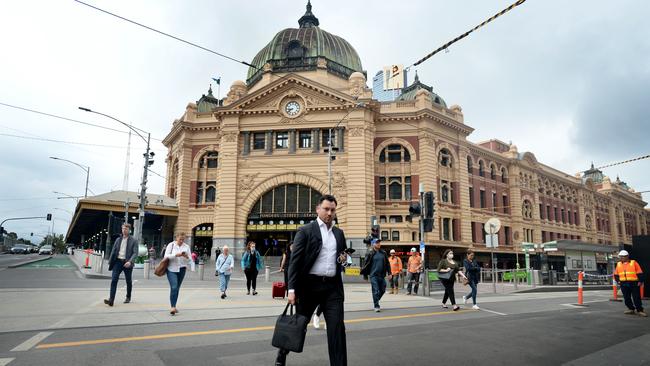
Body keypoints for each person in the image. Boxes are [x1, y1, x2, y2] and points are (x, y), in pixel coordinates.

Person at [276, 194, 349, 366]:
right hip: (308, 286)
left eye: (332, 210)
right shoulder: (306, 231)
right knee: (298, 325)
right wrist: (291, 290)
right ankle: (282, 353)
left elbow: (342, 256)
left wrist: (345, 259)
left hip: (332, 288)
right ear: (318, 209)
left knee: (337, 329)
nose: (329, 213)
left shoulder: (339, 234)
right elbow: (295, 263)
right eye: (326, 209)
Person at [104, 223, 138, 307]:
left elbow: (135, 253)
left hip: (127, 262)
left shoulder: (134, 240)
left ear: (129, 230)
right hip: (118, 262)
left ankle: (128, 296)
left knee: (128, 281)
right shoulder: (118, 240)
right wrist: (110, 262)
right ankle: (111, 300)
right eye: (123, 228)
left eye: (126, 229)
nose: (124, 230)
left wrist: (130, 261)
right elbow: (113, 251)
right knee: (114, 280)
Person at [163, 232, 194, 315]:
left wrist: (186, 257)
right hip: (171, 269)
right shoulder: (171, 245)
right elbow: (166, 256)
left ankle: (174, 305)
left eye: (183, 239)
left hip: (182, 269)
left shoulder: (186, 247)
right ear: (176, 238)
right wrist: (176, 255)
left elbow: (190, 260)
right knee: (174, 287)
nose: (181, 241)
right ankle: (172, 307)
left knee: (177, 288)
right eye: (180, 239)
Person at [361, 238, 390, 312]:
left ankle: (376, 299)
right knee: (376, 290)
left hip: (382, 275)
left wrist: (389, 273)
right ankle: (376, 305)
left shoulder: (383, 253)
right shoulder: (370, 253)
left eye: (379, 243)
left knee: (383, 290)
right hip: (373, 275)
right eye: (377, 243)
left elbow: (387, 263)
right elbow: (365, 265)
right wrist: (365, 275)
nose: (379, 244)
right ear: (373, 244)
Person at [614, 250, 646, 317]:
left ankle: (640, 310)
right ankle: (631, 309)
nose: (621, 258)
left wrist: (640, 281)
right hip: (623, 283)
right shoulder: (619, 264)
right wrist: (618, 281)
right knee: (626, 297)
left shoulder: (634, 263)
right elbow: (616, 274)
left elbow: (639, 272)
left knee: (636, 297)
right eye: (620, 257)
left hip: (634, 283)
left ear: (627, 256)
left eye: (623, 257)